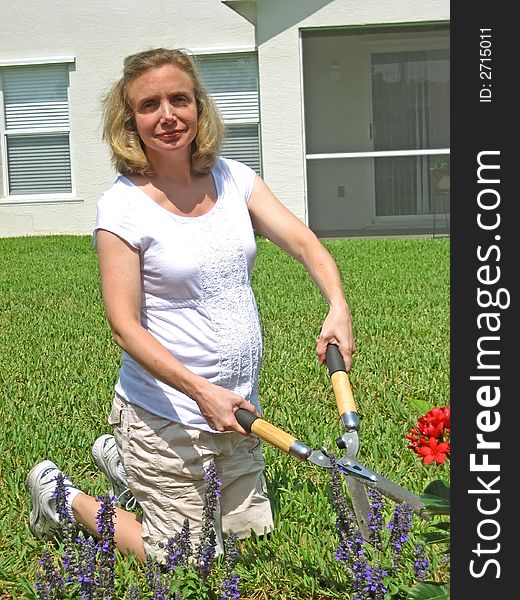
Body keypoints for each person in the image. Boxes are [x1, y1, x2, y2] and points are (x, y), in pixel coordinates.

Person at [27, 47, 355, 563]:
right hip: (169, 410)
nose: (168, 116)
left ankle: (127, 473)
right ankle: (61, 498)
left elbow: (306, 244)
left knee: (249, 544)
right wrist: (202, 392)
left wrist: (337, 305)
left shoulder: (234, 179)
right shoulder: (122, 208)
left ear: (199, 106)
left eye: (179, 99)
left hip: (237, 408)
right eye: (149, 104)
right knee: (187, 557)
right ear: (129, 121)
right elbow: (124, 328)